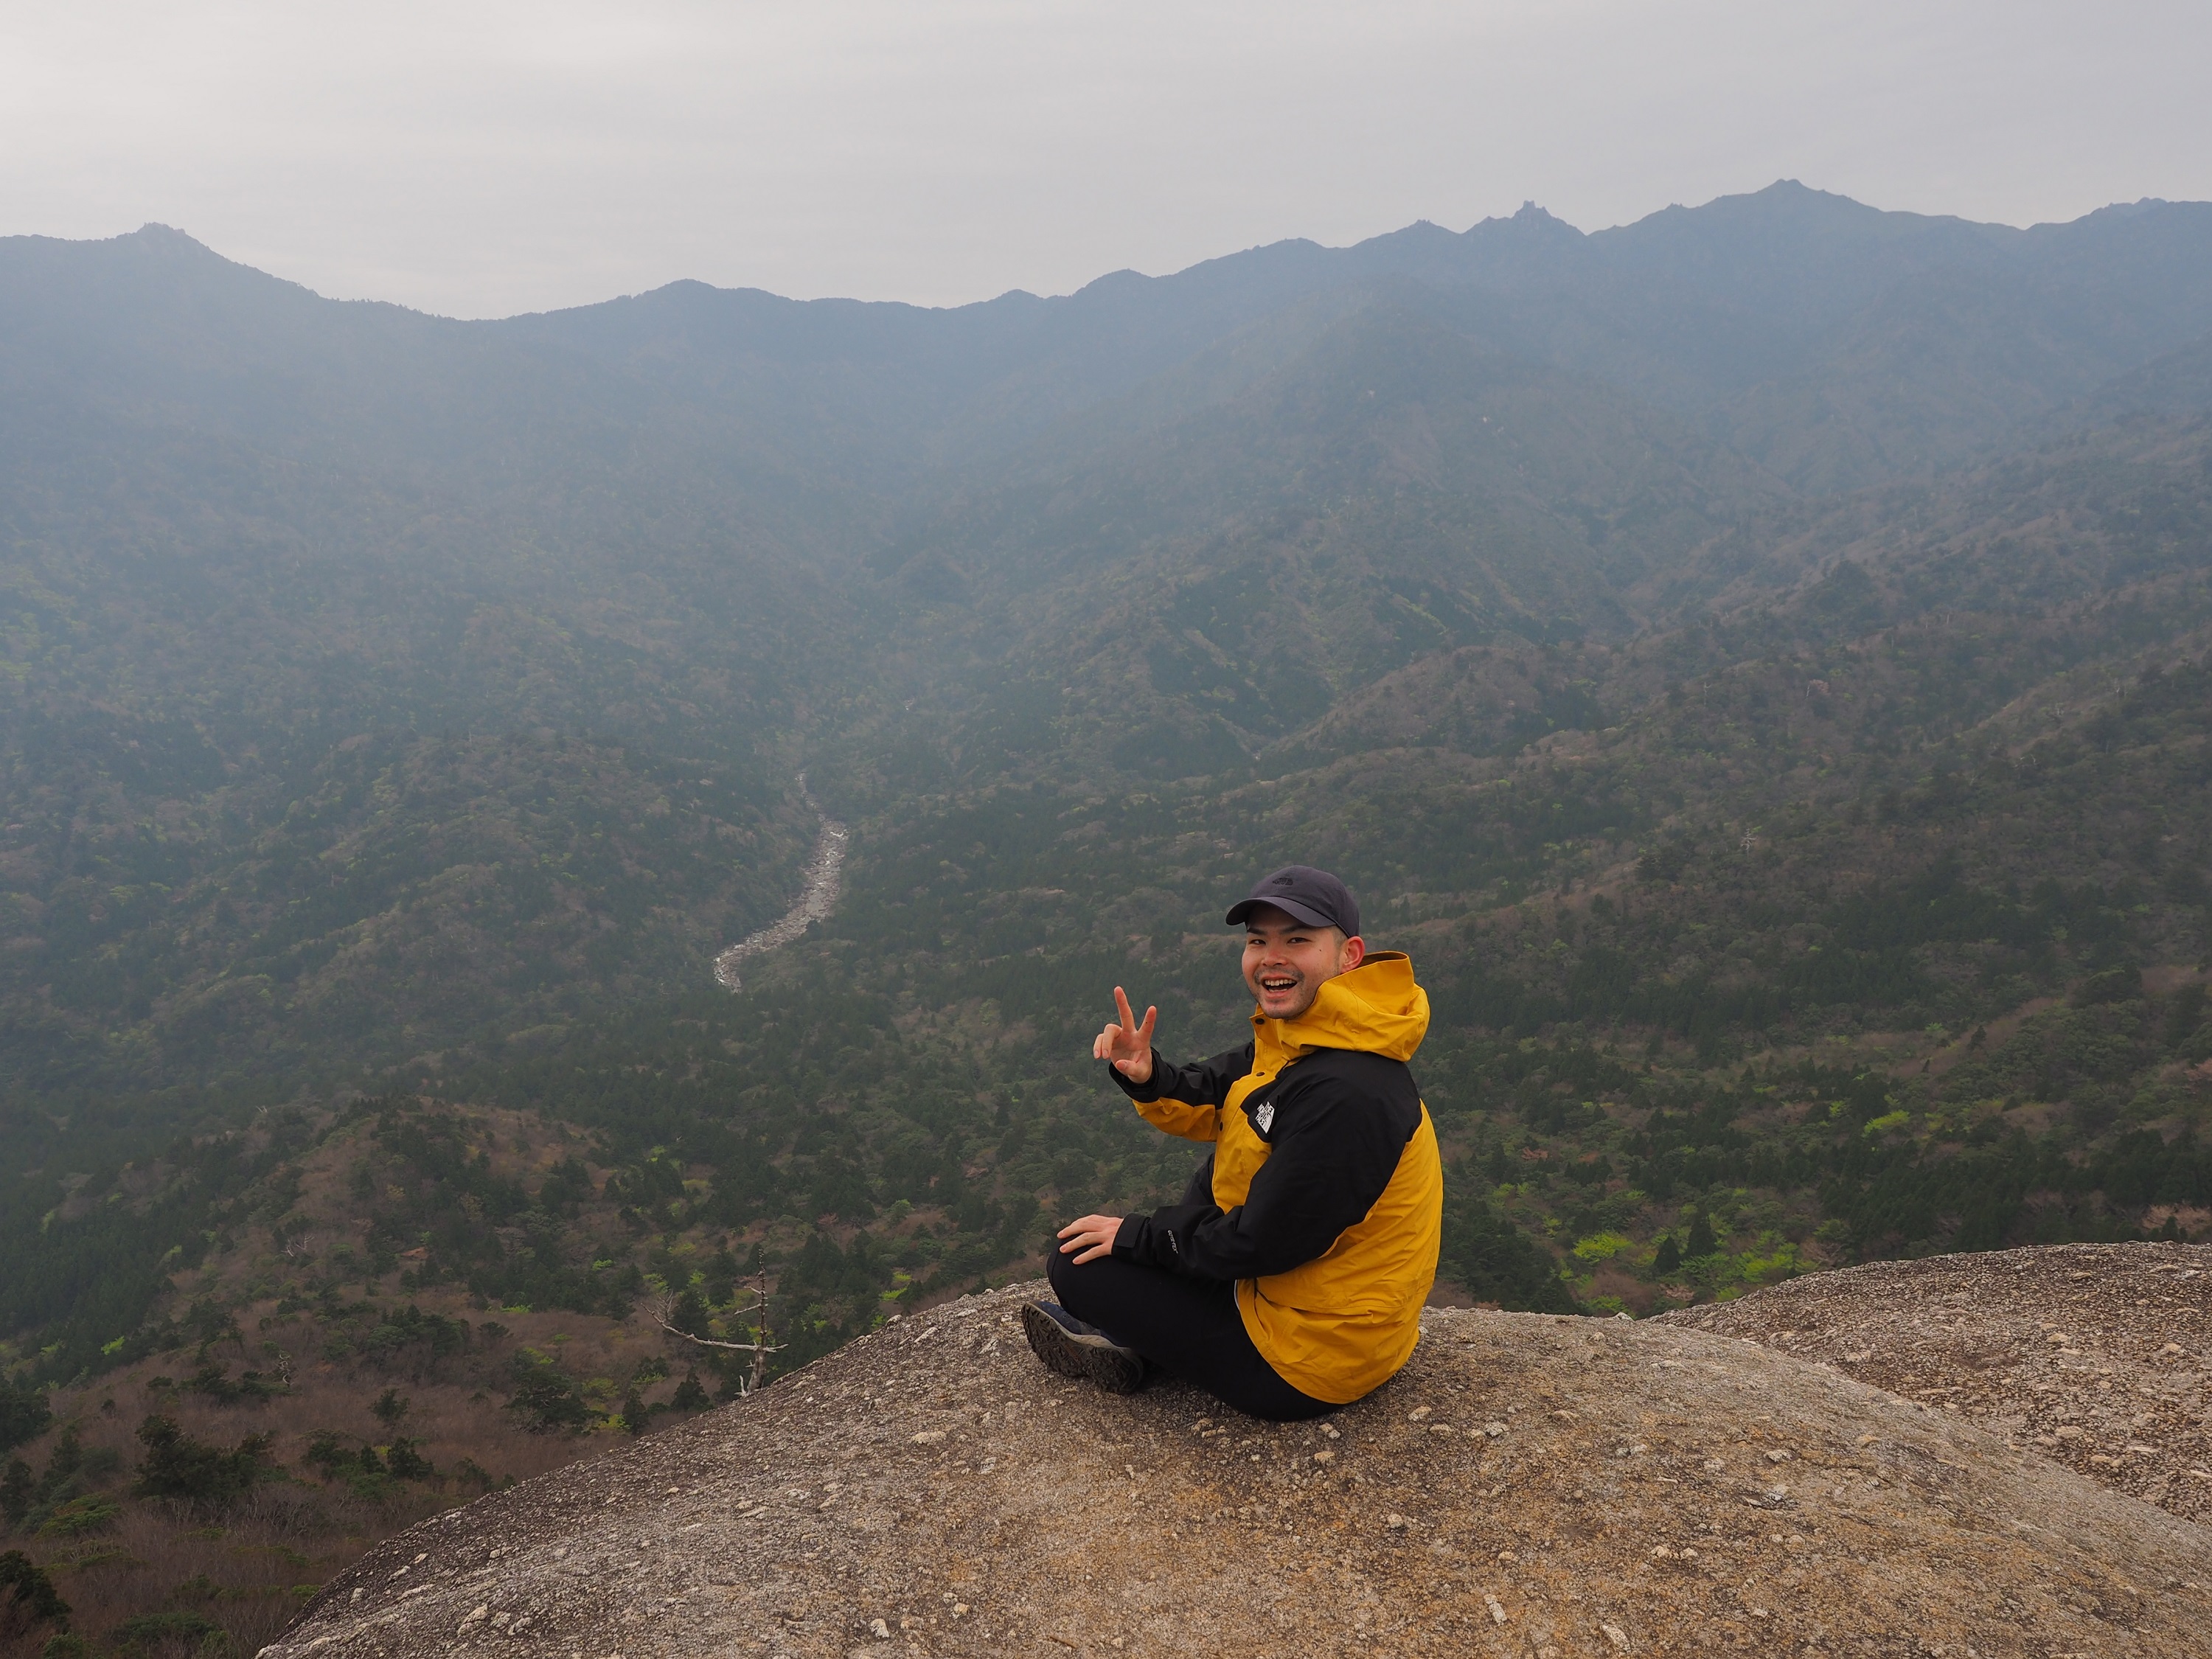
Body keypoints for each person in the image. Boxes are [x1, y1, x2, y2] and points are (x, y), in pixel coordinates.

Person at [1021, 865, 1441, 1420]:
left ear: (1350, 955)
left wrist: (1139, 1239)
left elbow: (1259, 1244)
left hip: (1306, 1362)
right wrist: (1148, 1075)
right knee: (1219, 1169)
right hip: (1312, 1307)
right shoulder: (1315, 1036)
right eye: (1257, 941)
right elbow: (1220, 1093)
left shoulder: (1349, 1092)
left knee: (1075, 1264)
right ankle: (1150, 1337)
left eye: (1297, 940)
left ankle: (1140, 1347)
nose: (1272, 957)